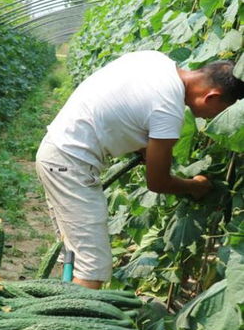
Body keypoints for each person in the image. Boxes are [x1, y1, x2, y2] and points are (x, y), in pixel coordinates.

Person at [35, 50, 244, 289]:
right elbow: (157, 183)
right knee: (93, 267)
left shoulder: (156, 60)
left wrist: (142, 146)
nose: (213, 119)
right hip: (69, 164)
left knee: (76, 251)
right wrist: (194, 186)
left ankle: (59, 307)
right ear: (211, 97)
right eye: (222, 112)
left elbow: (122, 103)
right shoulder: (168, 112)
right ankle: (71, 324)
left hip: (57, 149)